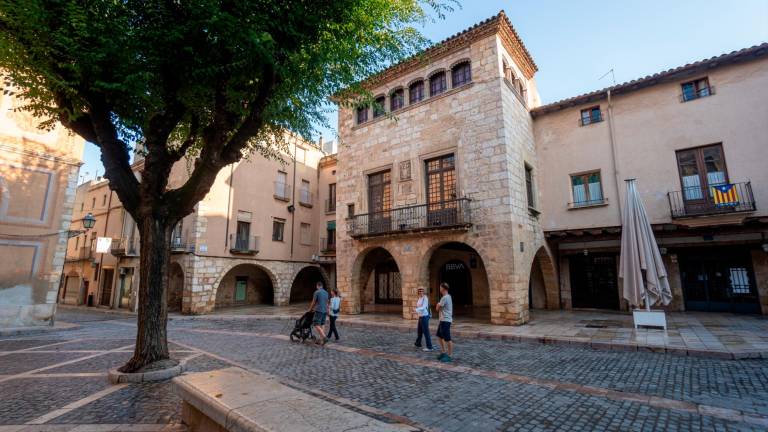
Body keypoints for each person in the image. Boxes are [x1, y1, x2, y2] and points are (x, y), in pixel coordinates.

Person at [435, 282, 454, 362]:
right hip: (443, 320)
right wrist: (438, 305)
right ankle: (443, 352)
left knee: (447, 338)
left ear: (443, 288)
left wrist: (437, 304)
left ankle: (450, 355)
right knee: (439, 336)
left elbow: (437, 309)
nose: (439, 289)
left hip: (445, 320)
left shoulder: (444, 298)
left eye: (440, 288)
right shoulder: (448, 296)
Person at [414, 287, 435, 351]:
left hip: (425, 316)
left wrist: (416, 310)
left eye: (422, 291)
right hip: (421, 316)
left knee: (426, 332)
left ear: (424, 292)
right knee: (419, 331)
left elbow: (423, 307)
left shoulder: (425, 298)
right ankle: (418, 343)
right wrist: (416, 311)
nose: (420, 292)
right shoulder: (419, 298)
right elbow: (419, 307)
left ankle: (429, 347)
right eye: (419, 291)